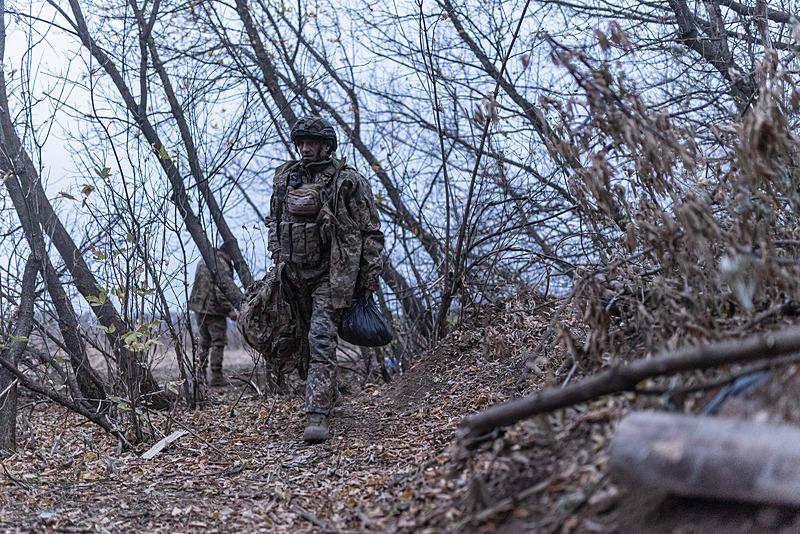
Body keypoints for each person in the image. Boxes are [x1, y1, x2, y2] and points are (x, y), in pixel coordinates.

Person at [268, 115, 384, 443]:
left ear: (326, 146)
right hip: (292, 276)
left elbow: (370, 232)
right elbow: (275, 220)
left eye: (312, 143)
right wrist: (277, 257)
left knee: (321, 340)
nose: (305, 148)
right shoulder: (285, 177)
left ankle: (316, 414)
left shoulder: (348, 181)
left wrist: (366, 279)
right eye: (301, 142)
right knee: (297, 339)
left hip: (330, 277)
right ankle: (327, 396)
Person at [188, 247, 238, 387]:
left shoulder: (203, 261)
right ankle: (216, 376)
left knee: (204, 342)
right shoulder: (220, 264)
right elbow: (221, 289)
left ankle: (200, 375)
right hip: (214, 310)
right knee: (218, 342)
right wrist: (230, 309)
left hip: (199, 308)